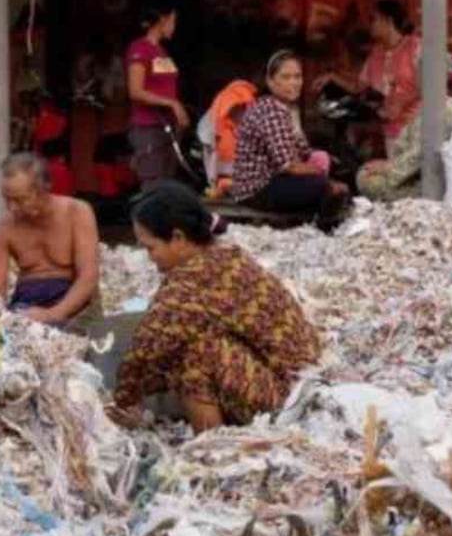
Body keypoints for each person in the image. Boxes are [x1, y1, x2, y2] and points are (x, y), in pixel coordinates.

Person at [107, 181, 321, 432]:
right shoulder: (225, 255)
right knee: (190, 341)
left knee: (193, 352)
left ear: (177, 237)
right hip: (299, 380)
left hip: (290, 399)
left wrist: (121, 401)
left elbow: (146, 348)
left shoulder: (192, 281)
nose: (149, 257)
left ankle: (209, 447)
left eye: (150, 247)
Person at [315, 0, 425, 200]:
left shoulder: (416, 47)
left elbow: (430, 83)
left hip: (418, 130)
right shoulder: (376, 54)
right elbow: (361, 86)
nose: (370, 25)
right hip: (391, 134)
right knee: (400, 185)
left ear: (388, 20)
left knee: (421, 182)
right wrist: (333, 77)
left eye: (373, 19)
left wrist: (401, 102)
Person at [0, 153, 101, 330]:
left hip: (75, 302)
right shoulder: (3, 227)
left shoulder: (77, 212)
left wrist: (54, 314)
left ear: (43, 190)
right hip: (29, 301)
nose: (12, 207)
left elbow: (88, 276)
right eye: (6, 199)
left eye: (19, 199)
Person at [231, 50, 348, 220]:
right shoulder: (270, 110)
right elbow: (288, 165)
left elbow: (304, 152)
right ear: (270, 82)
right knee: (322, 185)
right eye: (286, 77)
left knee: (327, 163)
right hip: (256, 191)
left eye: (297, 77)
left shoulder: (287, 108)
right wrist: (324, 177)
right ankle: (323, 225)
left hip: (275, 181)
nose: (294, 83)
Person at [127, 0, 190, 190]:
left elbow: (166, 88)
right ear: (163, 20)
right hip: (148, 127)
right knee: (152, 186)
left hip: (167, 128)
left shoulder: (162, 52)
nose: (174, 27)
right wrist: (172, 104)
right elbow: (135, 91)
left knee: (167, 186)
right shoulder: (140, 49)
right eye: (173, 21)